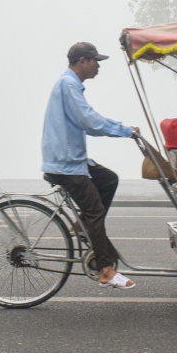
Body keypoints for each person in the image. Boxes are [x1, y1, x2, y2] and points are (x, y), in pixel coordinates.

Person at [41, 42, 140, 290]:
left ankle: (83, 224)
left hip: (71, 159)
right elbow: (89, 121)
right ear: (83, 61)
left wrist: (123, 130)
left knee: (108, 179)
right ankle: (106, 270)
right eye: (96, 61)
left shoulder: (70, 84)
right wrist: (125, 130)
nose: (98, 66)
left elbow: (88, 120)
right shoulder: (69, 85)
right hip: (65, 164)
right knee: (95, 210)